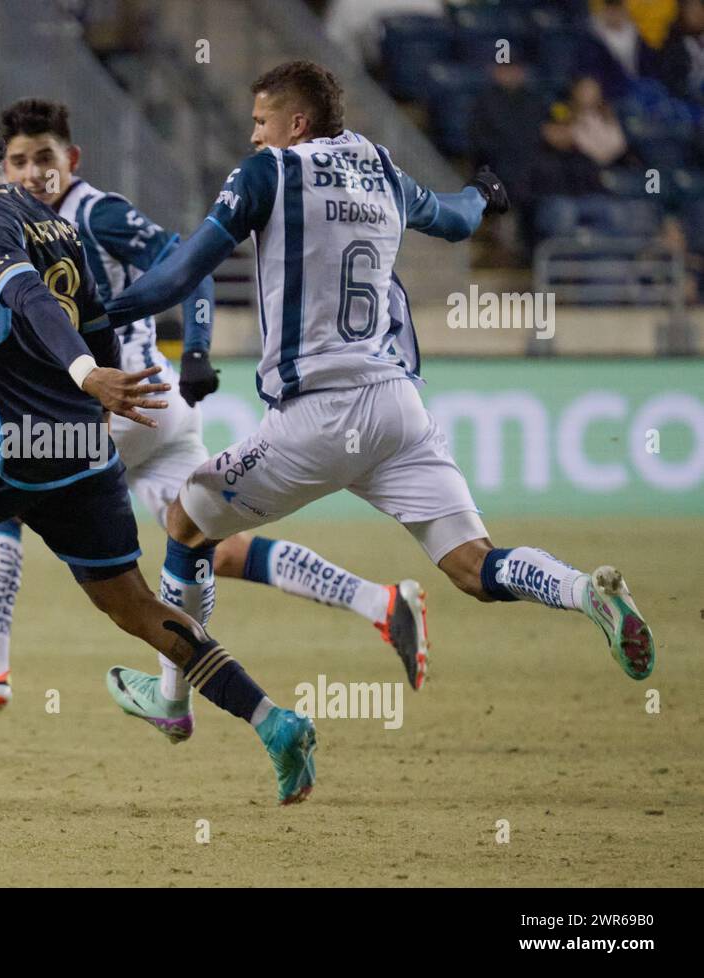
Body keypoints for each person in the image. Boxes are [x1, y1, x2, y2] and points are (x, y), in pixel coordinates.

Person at [98, 62, 655, 737]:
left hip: (320, 414)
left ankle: (173, 700)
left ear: (295, 123)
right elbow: (454, 219)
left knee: (185, 526)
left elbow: (183, 272)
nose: (252, 137)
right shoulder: (381, 168)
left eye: (260, 121)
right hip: (398, 406)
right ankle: (582, 591)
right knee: (474, 567)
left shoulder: (268, 174)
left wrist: (93, 315)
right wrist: (485, 192)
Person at [0, 113, 317, 805]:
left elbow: (27, 294)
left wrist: (84, 375)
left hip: (5, 453)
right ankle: (273, 720)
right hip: (79, 452)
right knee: (136, 605)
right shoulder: (55, 221)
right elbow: (97, 317)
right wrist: (95, 386)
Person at [0, 99, 430, 725]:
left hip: (117, 405)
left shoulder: (92, 212)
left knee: (4, 484)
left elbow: (187, 259)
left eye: (45, 160)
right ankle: (380, 603)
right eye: (20, 161)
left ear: (72, 160)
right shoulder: (21, 218)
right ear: (2, 165)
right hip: (153, 412)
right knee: (208, 545)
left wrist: (196, 349)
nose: (34, 174)